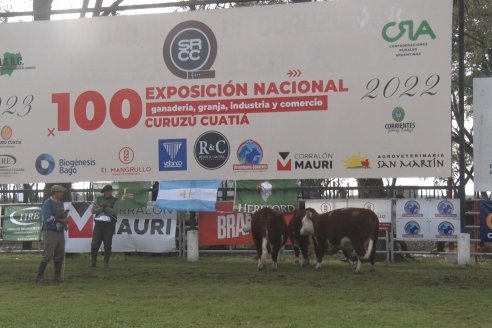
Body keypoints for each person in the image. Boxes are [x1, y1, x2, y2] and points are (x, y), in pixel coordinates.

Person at [36, 184, 68, 283]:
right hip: (50, 231)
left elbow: (60, 217)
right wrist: (61, 218)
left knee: (59, 253)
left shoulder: (60, 203)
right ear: (56, 193)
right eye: (61, 192)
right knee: (48, 254)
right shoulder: (47, 203)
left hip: (60, 231)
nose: (62, 194)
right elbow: (48, 218)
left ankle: (57, 276)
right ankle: (39, 276)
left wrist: (64, 219)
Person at [90, 184, 119, 268]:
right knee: (94, 244)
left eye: (109, 191)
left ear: (111, 192)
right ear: (104, 192)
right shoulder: (98, 199)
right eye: (106, 191)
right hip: (99, 224)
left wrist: (106, 208)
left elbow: (115, 212)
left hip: (109, 225)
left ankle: (106, 263)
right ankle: (93, 263)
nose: (108, 193)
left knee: (107, 244)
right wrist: (102, 208)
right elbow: (93, 211)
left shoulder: (115, 200)